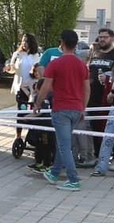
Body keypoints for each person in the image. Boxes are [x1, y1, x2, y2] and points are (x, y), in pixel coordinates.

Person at [34, 29, 88, 191]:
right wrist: (83, 109)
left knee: (64, 146)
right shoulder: (81, 64)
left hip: (61, 109)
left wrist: (37, 104)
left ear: (62, 43)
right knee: (63, 143)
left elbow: (46, 87)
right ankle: (54, 173)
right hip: (76, 109)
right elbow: (87, 89)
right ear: (75, 44)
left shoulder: (55, 64)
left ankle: (73, 179)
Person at [84, 28, 114, 165]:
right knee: (93, 126)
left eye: (105, 37)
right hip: (92, 97)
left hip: (109, 98)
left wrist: (109, 78)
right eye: (100, 37)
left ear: (112, 38)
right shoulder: (95, 54)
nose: (102, 39)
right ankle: (97, 155)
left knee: (110, 127)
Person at [9, 33, 41, 102]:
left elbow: (39, 70)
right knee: (22, 108)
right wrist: (9, 68)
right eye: (23, 41)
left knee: (32, 108)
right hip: (21, 87)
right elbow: (13, 69)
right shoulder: (17, 54)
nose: (24, 43)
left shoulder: (37, 55)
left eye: (26, 41)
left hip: (33, 86)